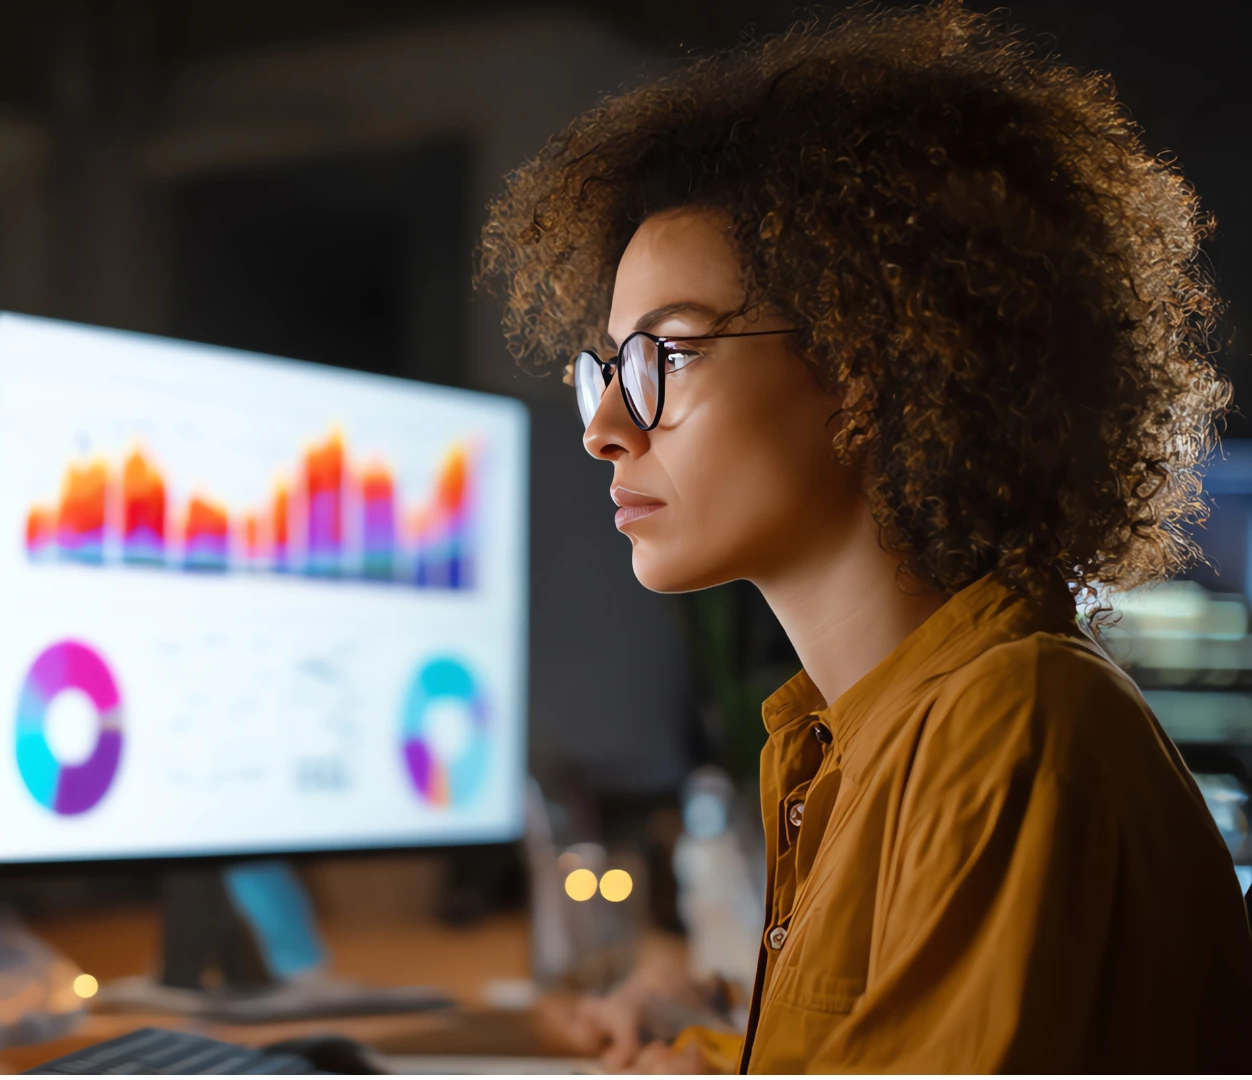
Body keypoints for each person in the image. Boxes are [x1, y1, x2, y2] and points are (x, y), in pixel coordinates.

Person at [481, 1, 1252, 1071]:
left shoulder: (1011, 726)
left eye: (667, 357)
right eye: (605, 373)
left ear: (866, 370)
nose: (606, 430)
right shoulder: (849, 741)